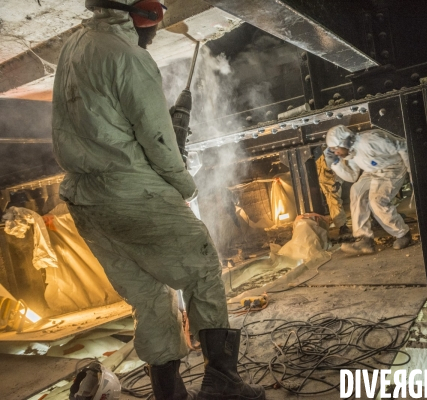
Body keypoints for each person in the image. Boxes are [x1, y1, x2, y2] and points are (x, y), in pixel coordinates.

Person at [51, 1, 265, 399]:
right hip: (130, 191)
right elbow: (159, 139)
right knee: (201, 267)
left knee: (150, 298)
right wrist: (184, 186)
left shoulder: (74, 46)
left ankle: (169, 394)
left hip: (85, 201)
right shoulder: (129, 56)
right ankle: (223, 382)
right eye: (154, 16)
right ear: (141, 15)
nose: (154, 27)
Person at [325, 125, 412, 254]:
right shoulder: (351, 152)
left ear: (344, 141)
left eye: (335, 149)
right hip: (372, 171)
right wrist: (335, 164)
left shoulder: (370, 140)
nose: (335, 153)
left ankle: (403, 234)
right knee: (356, 191)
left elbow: (403, 146)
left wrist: (412, 170)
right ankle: (364, 239)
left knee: (376, 200)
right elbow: (352, 177)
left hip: (392, 167)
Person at [315, 148, 350, 236]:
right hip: (325, 177)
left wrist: (338, 180)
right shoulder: (322, 151)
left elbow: (342, 163)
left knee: (334, 201)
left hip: (331, 178)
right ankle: (341, 226)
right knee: (332, 201)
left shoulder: (332, 148)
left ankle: (342, 226)